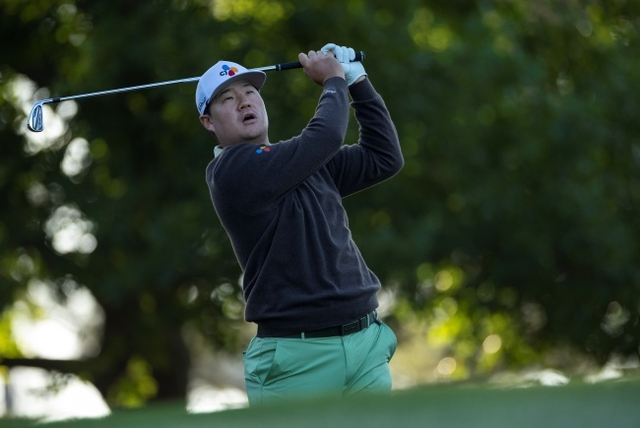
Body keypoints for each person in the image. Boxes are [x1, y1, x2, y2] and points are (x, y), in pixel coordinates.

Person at [196, 43, 404, 405]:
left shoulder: (303, 161)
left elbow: (384, 157)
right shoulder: (230, 172)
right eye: (227, 99)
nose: (244, 102)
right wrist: (334, 81)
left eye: (249, 92)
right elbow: (325, 137)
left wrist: (358, 81)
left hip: (365, 342)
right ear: (208, 122)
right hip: (296, 357)